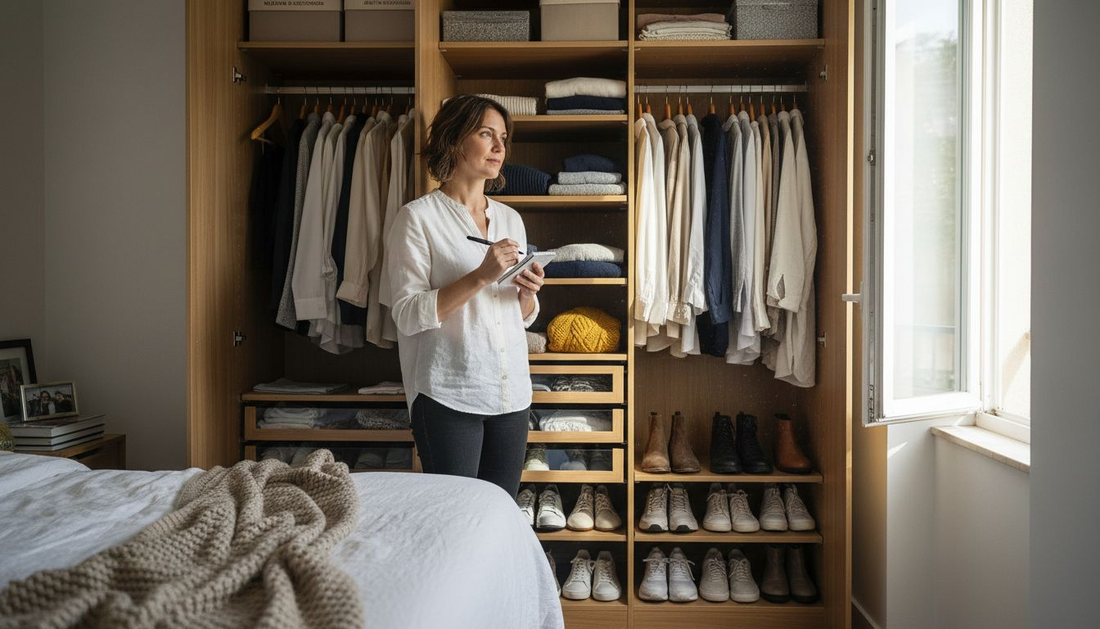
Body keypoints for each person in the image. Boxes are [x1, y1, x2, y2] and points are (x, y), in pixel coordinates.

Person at [381, 95, 544, 499]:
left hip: (511, 394)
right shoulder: (417, 218)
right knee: (456, 520)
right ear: (454, 139)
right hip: (448, 395)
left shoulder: (510, 218)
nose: (499, 148)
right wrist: (481, 276)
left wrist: (528, 294)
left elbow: (519, 316)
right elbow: (405, 314)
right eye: (486, 134)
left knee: (501, 514)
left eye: (503, 137)